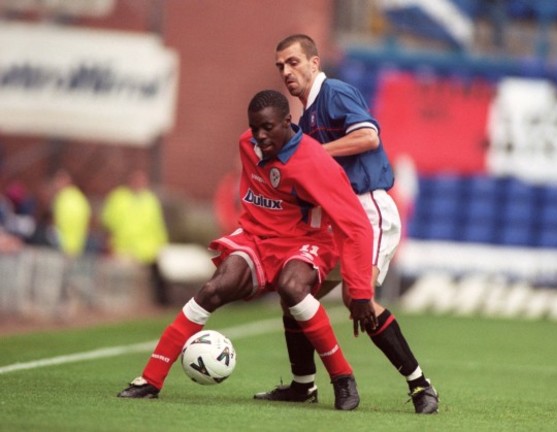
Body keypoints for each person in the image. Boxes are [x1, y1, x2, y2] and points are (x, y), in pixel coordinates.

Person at [117, 89, 377, 411]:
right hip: (258, 236)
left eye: (268, 128)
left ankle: (342, 378)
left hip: (307, 239)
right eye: (255, 128)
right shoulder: (247, 144)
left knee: (292, 288)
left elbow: (357, 226)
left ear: (288, 122)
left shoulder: (316, 163)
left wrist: (361, 290)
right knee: (214, 288)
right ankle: (150, 379)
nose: (260, 136)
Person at [253, 34, 439, 414]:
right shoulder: (304, 119)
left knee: (361, 301)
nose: (286, 72)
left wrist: (314, 154)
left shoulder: (334, 93)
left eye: (293, 62)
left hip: (368, 210)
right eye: (281, 66)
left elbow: (368, 136)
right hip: (336, 219)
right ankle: (303, 386)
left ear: (314, 63)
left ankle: (421, 385)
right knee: (295, 297)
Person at [101, 170, 170, 306]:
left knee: (144, 289)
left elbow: (157, 225)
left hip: (146, 251)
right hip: (123, 249)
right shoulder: (118, 198)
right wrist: (110, 244)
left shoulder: (150, 200)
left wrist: (161, 245)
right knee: (123, 288)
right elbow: (108, 223)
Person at [50, 169, 92, 257]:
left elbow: (56, 223)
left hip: (61, 245)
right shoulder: (80, 198)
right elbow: (87, 222)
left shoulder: (62, 198)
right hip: (78, 246)